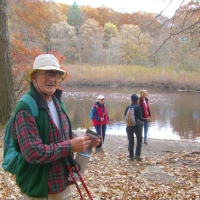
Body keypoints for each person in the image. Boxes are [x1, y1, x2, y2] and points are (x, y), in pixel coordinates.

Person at [13, 54, 100, 200]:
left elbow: (62, 133)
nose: (52, 79)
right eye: (47, 73)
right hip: (40, 189)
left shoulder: (57, 101)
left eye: (56, 74)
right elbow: (32, 152)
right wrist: (70, 146)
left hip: (63, 183)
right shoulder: (26, 107)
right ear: (34, 76)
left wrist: (82, 140)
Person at [124, 94, 149, 161]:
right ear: (137, 100)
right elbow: (140, 118)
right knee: (139, 140)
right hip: (137, 126)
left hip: (129, 127)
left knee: (131, 141)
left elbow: (125, 118)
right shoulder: (138, 107)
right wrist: (146, 119)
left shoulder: (127, 107)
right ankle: (137, 155)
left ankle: (131, 156)